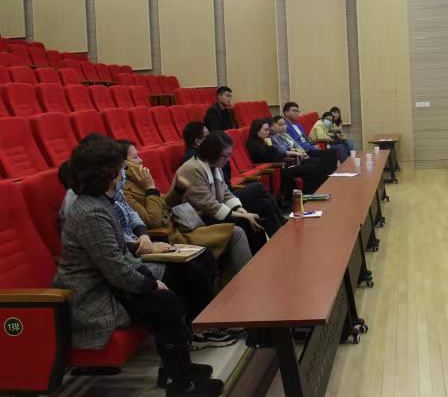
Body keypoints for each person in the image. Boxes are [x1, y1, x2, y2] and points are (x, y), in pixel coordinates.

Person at [53, 136, 224, 395]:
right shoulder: (90, 212)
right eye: (121, 168)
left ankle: (177, 370)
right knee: (164, 301)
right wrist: (151, 283)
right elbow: (116, 270)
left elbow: (120, 258)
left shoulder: (101, 201)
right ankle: (182, 383)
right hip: (93, 297)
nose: (124, 173)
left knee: (179, 279)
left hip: (109, 284)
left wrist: (149, 278)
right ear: (108, 174)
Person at [118, 140, 252, 282]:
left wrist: (178, 190)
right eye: (135, 157)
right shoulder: (125, 191)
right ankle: (246, 281)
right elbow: (153, 221)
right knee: (235, 232)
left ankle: (239, 281)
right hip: (169, 235)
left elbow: (165, 205)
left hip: (182, 226)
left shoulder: (141, 180)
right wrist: (150, 188)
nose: (140, 160)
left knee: (237, 229)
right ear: (125, 165)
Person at [175, 131, 283, 253]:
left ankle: (279, 245)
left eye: (229, 155)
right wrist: (243, 216)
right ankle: (259, 257)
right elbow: (208, 206)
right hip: (198, 218)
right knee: (247, 217)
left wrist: (241, 210)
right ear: (212, 152)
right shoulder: (193, 169)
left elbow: (225, 192)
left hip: (213, 211)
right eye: (225, 156)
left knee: (263, 204)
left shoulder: (214, 164)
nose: (228, 160)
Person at [246, 117, 326, 194]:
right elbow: (273, 157)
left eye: (268, 130)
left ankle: (314, 192)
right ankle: (308, 195)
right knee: (310, 168)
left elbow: (277, 154)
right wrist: (269, 145)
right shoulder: (254, 144)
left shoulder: (263, 141)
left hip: (282, 167)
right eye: (265, 130)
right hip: (275, 169)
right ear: (257, 131)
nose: (268, 132)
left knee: (313, 165)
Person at [282, 102, 338, 174]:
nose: (297, 113)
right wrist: (312, 147)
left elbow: (306, 138)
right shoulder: (285, 126)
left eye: (298, 111)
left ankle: (331, 176)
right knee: (324, 158)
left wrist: (313, 144)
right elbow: (294, 143)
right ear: (286, 112)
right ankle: (328, 176)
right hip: (304, 151)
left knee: (332, 152)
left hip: (310, 148)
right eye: (294, 111)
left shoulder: (298, 125)